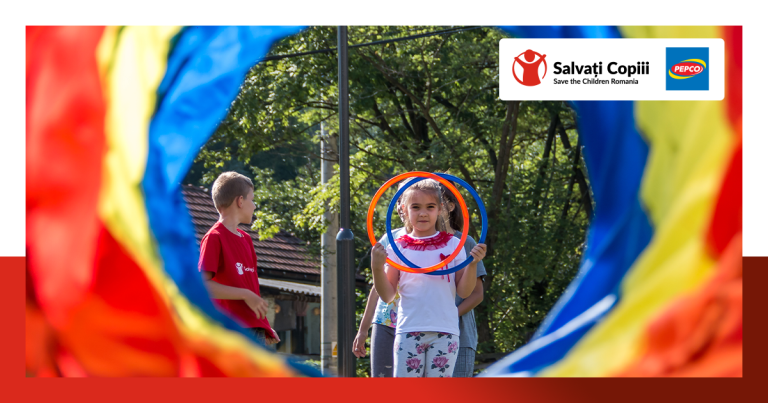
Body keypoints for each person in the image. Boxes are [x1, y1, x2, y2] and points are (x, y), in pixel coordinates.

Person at [371, 178, 486, 377]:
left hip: (445, 331)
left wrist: (472, 264)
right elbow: (388, 295)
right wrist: (376, 267)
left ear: (440, 209)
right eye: (415, 207)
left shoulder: (454, 245)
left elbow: (464, 291)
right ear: (404, 209)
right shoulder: (397, 247)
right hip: (408, 329)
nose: (423, 213)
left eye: (430, 207)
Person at [198, 171, 280, 347]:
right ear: (240, 201)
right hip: (230, 331)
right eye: (252, 200)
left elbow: (250, 287)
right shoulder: (214, 237)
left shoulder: (247, 239)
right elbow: (203, 286)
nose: (255, 206)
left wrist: (263, 325)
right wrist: (245, 294)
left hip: (254, 331)